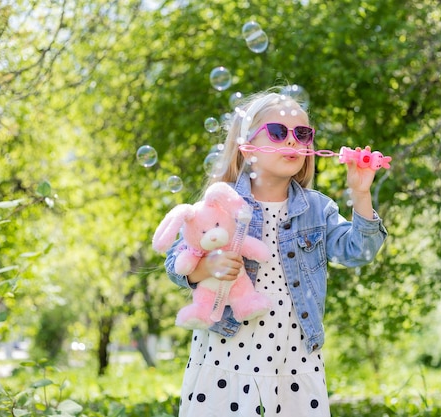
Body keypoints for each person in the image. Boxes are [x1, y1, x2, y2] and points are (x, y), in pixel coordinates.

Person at [164, 87, 388, 416]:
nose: (293, 142)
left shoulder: (318, 209)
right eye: (279, 132)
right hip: (227, 355)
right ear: (246, 146)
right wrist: (208, 266)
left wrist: (360, 193)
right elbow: (175, 263)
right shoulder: (220, 202)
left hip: (295, 361)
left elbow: (359, 251)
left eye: (302, 134)